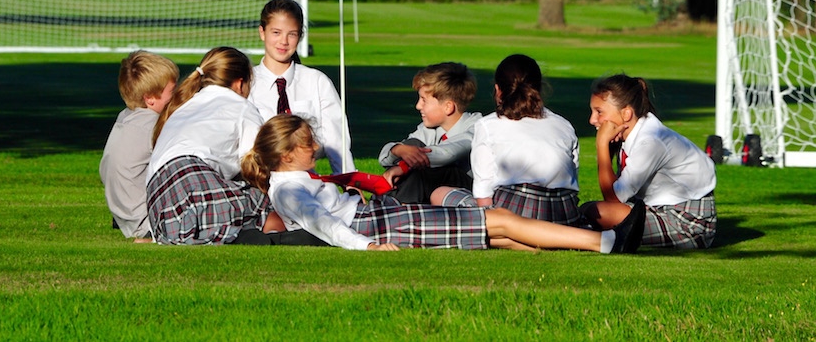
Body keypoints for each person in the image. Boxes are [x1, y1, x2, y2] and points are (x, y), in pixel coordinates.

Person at [241, 114, 646, 253]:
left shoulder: (293, 178)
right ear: (288, 154)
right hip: (377, 227)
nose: (316, 145)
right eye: (308, 142)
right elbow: (324, 225)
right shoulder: (290, 188)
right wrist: (368, 247)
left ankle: (588, 243)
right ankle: (606, 242)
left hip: (380, 216)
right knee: (498, 220)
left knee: (496, 233)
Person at [146, 46, 326, 247]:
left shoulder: (182, 107)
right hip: (193, 181)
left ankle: (230, 234)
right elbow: (262, 164)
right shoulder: (241, 107)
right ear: (240, 84)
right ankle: (273, 237)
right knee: (268, 202)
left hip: (158, 203)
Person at [432, 54, 581, 226]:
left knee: (441, 193)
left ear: (498, 90)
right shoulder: (564, 125)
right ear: (538, 89)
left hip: (514, 212)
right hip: (565, 213)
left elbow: (483, 194)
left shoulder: (488, 125)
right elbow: (572, 177)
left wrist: (488, 223)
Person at [582, 74, 717, 249]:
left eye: (599, 112)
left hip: (688, 223)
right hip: (657, 208)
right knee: (591, 211)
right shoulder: (635, 134)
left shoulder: (650, 141)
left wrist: (601, 145)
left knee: (595, 212)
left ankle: (585, 234)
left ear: (626, 113)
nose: (592, 120)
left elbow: (614, 198)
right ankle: (583, 230)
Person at [249, 0, 354, 175]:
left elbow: (336, 141)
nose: (284, 41)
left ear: (300, 36)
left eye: (292, 34)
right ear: (262, 32)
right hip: (258, 180)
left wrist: (349, 183)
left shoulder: (316, 81)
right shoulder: (247, 83)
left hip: (306, 182)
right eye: (276, 32)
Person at [99, 50, 178, 239]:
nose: (177, 96)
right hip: (144, 219)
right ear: (150, 98)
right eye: (172, 92)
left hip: (123, 212)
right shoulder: (152, 125)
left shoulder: (126, 117)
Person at [378, 62, 481, 203]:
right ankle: (383, 205)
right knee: (412, 146)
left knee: (429, 171)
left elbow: (448, 153)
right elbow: (386, 157)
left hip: (469, 193)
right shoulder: (428, 130)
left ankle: (394, 211)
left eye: (424, 100)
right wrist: (398, 149)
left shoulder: (478, 127)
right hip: (436, 191)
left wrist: (405, 166)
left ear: (448, 107)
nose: (418, 105)